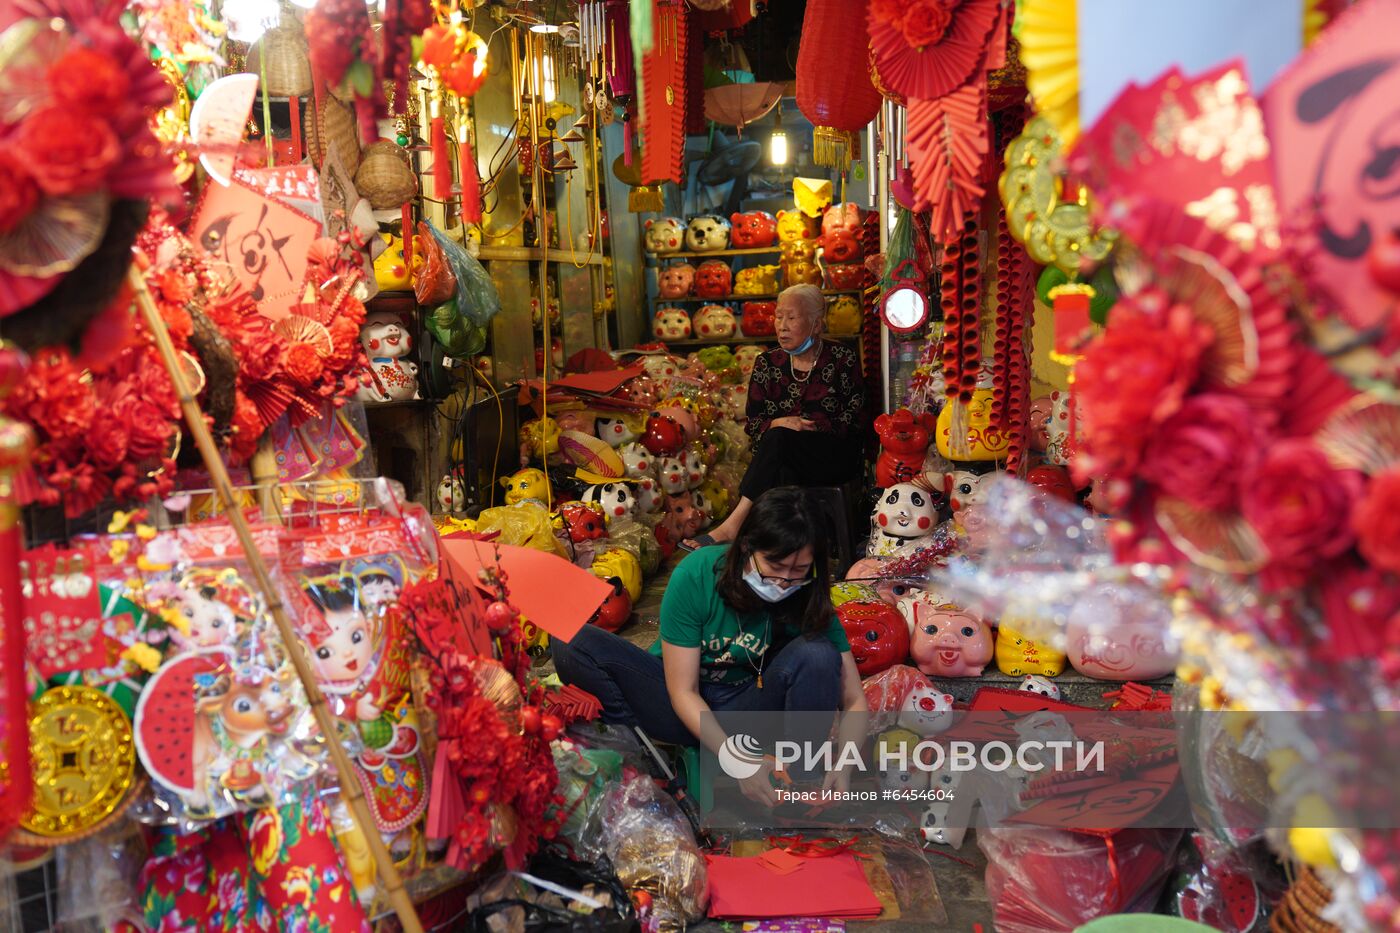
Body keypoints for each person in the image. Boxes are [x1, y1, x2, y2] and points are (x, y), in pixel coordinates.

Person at [551, 487, 868, 805]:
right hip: (679, 704)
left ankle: (796, 780)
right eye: (774, 566)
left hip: (749, 705)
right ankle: (645, 750)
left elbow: (854, 698)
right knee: (573, 641)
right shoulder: (697, 575)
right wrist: (736, 760)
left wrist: (846, 762)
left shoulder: (806, 593)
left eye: (798, 571)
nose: (783, 583)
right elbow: (683, 692)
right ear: (746, 546)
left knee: (817, 654)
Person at [685, 283, 864, 549]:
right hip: (783, 457)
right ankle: (772, 545)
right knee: (778, 440)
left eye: (792, 318)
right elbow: (754, 423)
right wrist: (778, 424)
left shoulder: (842, 359)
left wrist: (806, 427)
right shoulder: (767, 363)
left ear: (816, 324)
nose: (782, 325)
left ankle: (735, 526)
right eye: (779, 317)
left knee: (780, 440)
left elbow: (853, 418)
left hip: (831, 455)